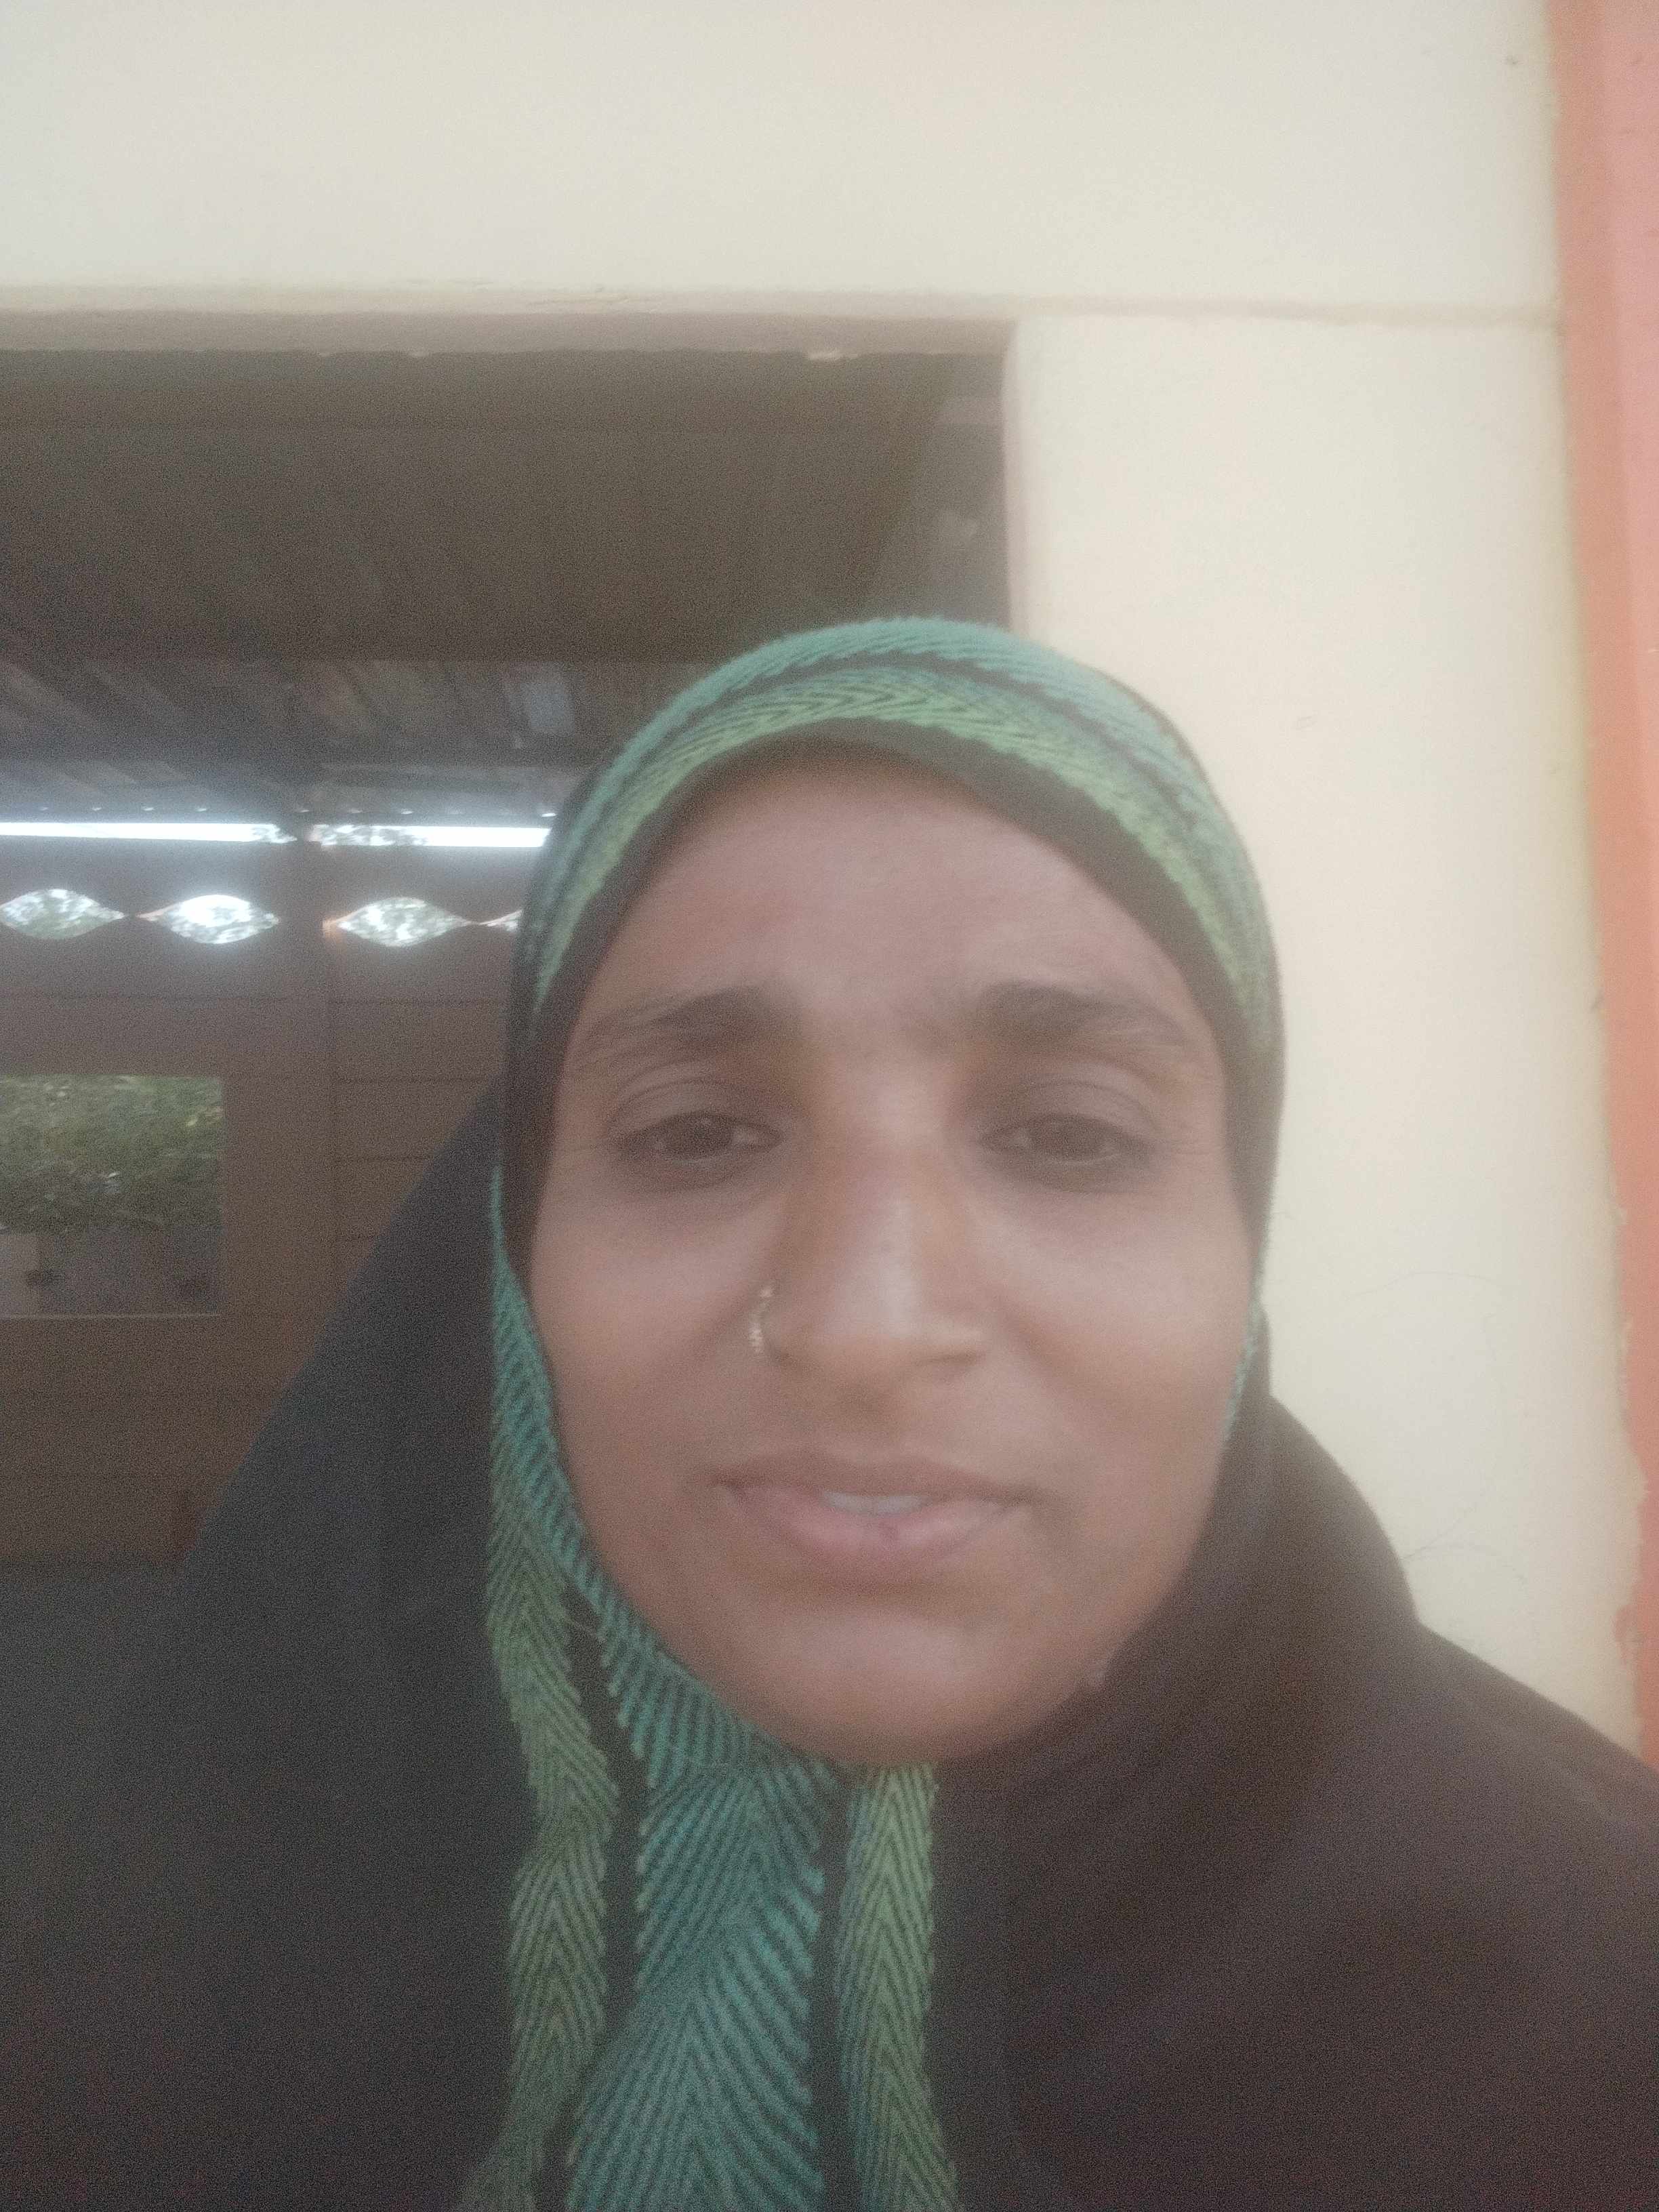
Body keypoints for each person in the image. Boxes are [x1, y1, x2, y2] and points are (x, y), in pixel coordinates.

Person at [7, 619, 1658, 2209]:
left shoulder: (1600, 2021)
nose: (866, 1327)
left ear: (1246, 1246)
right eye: (698, 1134)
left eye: (1070, 1135)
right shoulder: (155, 1980)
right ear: (513, 1259)